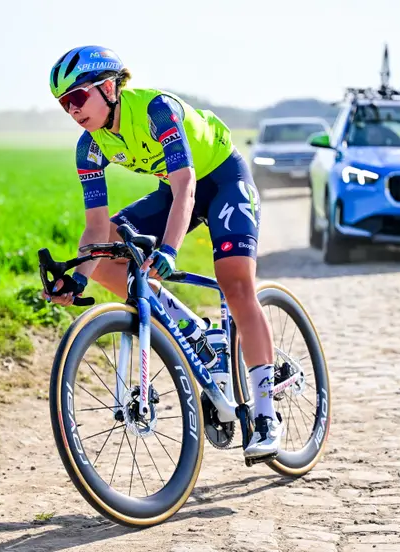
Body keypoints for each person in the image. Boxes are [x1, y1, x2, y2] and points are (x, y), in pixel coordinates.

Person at [43, 45, 282, 459]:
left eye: (78, 97)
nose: (73, 110)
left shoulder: (157, 110)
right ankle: (194, 331)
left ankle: (265, 415)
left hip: (222, 180)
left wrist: (169, 249)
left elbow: (187, 183)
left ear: (108, 88)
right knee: (108, 250)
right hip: (173, 191)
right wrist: (77, 278)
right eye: (64, 103)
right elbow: (96, 228)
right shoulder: (90, 147)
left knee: (235, 282)